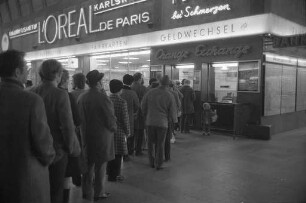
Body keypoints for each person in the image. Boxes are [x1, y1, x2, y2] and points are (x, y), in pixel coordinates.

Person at [0, 50, 55, 203]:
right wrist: (51, 157)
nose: (28, 72)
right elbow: (43, 143)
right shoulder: (32, 101)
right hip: (25, 179)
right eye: (26, 68)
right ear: (17, 72)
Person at [30, 59, 80, 203]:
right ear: (57, 74)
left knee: (40, 189)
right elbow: (67, 125)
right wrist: (72, 148)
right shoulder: (60, 94)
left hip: (36, 150)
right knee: (56, 191)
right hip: (57, 150)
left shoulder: (31, 91)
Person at [78, 70, 116, 201]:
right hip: (101, 136)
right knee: (100, 166)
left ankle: (86, 191)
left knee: (87, 165)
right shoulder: (103, 97)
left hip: (86, 135)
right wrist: (114, 128)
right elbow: (110, 118)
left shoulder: (82, 97)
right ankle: (99, 192)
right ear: (99, 82)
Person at [58, 69, 83, 203]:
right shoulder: (67, 96)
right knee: (65, 180)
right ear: (65, 80)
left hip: (42, 148)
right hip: (63, 146)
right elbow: (76, 122)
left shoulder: (35, 93)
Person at [141, 75, 177, 170]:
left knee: (150, 143)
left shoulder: (150, 92)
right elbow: (173, 110)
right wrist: (174, 120)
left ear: (159, 82)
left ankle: (151, 162)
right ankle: (158, 163)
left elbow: (143, 105)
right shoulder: (169, 95)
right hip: (163, 122)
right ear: (168, 84)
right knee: (160, 144)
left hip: (150, 121)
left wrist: (146, 115)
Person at [108, 79, 130, 181]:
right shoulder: (122, 102)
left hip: (108, 131)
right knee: (118, 154)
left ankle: (109, 173)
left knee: (110, 152)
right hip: (119, 131)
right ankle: (116, 175)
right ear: (120, 89)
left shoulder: (107, 99)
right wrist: (128, 132)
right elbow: (125, 119)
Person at [120, 74, 139, 159]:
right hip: (129, 117)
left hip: (118, 118)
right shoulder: (132, 93)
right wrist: (135, 113)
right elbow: (137, 105)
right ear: (131, 82)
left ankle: (121, 152)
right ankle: (128, 152)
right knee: (130, 135)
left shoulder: (119, 92)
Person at [131, 72, 147, 156]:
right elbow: (145, 102)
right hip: (140, 113)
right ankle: (138, 150)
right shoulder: (143, 88)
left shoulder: (130, 87)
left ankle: (130, 149)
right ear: (140, 79)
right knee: (140, 132)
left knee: (132, 132)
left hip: (130, 113)